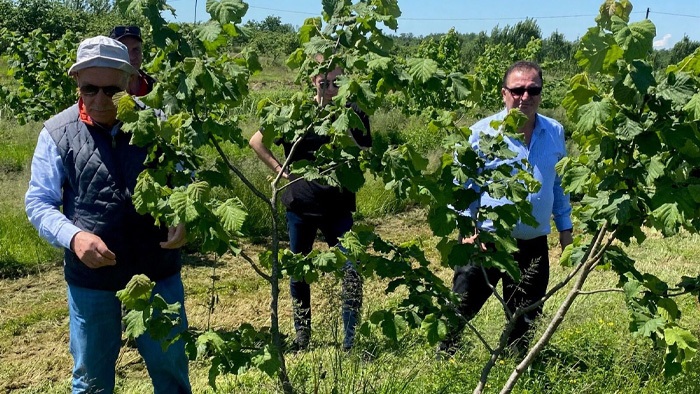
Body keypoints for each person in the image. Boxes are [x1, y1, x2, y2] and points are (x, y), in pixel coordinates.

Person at [24, 36, 191, 393]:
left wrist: (183, 212)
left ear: (130, 82)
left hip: (156, 273)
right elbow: (38, 202)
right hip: (93, 281)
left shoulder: (159, 126)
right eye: (89, 89)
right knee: (92, 379)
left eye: (110, 91)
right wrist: (74, 237)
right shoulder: (57, 133)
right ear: (77, 85)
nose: (99, 100)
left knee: (170, 369)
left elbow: (186, 179)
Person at [440, 60, 573, 356]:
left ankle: (516, 367)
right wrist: (467, 231)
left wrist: (565, 229)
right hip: (487, 243)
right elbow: (460, 189)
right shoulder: (480, 134)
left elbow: (558, 184)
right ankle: (444, 355)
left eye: (532, 90)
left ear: (540, 93)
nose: (525, 97)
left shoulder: (554, 132)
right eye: (517, 90)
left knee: (524, 320)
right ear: (504, 93)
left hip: (533, 245)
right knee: (461, 309)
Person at [249, 64, 371, 351]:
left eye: (336, 82)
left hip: (338, 204)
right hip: (301, 203)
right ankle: (302, 336)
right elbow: (256, 141)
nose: (330, 88)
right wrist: (280, 169)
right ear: (312, 82)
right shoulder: (297, 113)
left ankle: (350, 341)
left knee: (352, 270)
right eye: (323, 82)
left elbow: (366, 151)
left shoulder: (354, 113)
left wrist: (346, 121)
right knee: (299, 271)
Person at [109, 25, 156, 96]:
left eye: (136, 50)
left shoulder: (152, 85)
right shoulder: (102, 89)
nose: (132, 57)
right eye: (124, 50)